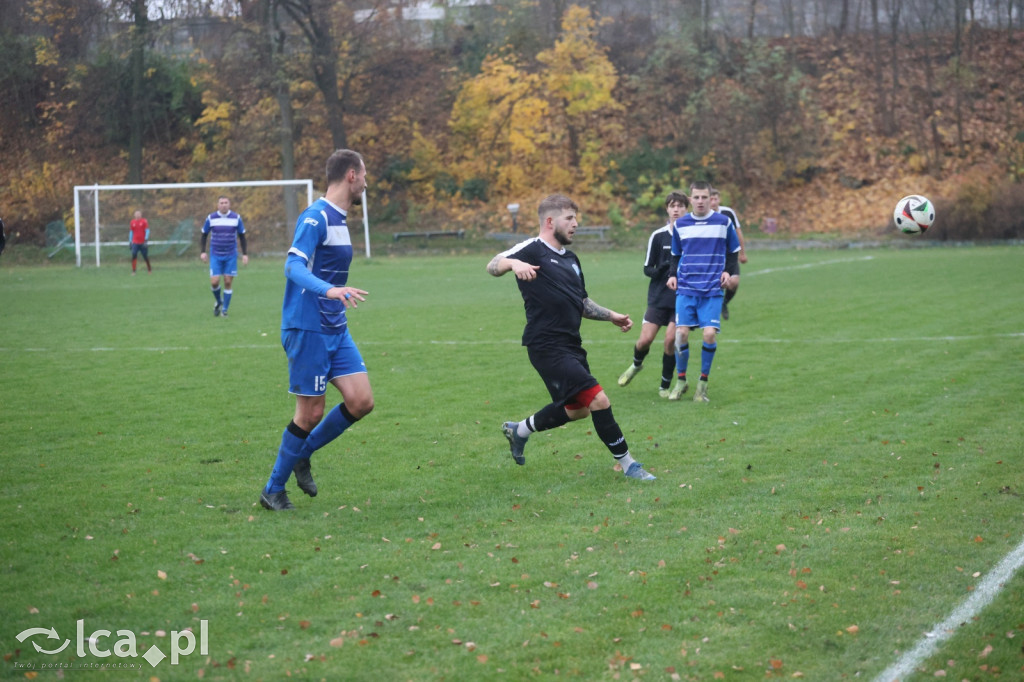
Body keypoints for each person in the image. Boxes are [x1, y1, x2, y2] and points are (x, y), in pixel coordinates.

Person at [487, 194, 656, 481]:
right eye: (569, 218)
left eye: (576, 218)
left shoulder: (572, 260)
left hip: (570, 345)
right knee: (598, 399)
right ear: (550, 221)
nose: (575, 224)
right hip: (545, 344)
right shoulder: (532, 248)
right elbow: (492, 265)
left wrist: (610, 315)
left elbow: (581, 302)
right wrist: (514, 264)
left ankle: (520, 430)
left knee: (577, 410)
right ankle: (629, 465)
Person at [260, 149, 374, 511]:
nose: (367, 181)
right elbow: (292, 266)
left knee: (360, 401)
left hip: (334, 326)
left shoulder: (339, 219)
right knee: (309, 414)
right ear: (351, 175)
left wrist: (334, 293)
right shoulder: (315, 217)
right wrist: (330, 290)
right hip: (308, 326)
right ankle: (273, 489)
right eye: (365, 174)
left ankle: (302, 454)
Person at [666, 181, 741, 403]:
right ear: (690, 199)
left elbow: (733, 251)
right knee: (680, 334)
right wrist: (672, 274)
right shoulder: (681, 224)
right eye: (696, 197)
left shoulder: (723, 222)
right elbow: (675, 254)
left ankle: (703, 384)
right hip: (687, 287)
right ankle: (681, 381)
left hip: (712, 288)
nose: (700, 201)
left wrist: (728, 271)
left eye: (704, 197)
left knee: (709, 334)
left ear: (711, 199)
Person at [617, 191, 690, 397]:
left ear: (687, 209)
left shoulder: (692, 237)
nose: (676, 209)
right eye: (672, 205)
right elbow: (647, 269)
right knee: (644, 341)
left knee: (670, 341)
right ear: (667, 209)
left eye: (680, 206)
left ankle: (664, 386)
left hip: (682, 299)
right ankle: (636, 365)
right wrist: (661, 270)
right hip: (658, 298)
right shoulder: (658, 236)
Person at [200, 196, 248, 317]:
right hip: (216, 254)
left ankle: (224, 310)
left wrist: (245, 254)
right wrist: (203, 252)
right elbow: (204, 234)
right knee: (215, 282)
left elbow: (242, 236)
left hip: (231, 255)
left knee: (227, 281)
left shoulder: (236, 218)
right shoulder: (211, 218)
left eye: (226, 203)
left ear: (229, 204)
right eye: (221, 203)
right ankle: (219, 301)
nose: (224, 205)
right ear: (218, 205)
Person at [709, 188, 746, 320]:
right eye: (711, 199)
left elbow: (738, 232)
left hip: (729, 255)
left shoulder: (727, 213)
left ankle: (724, 303)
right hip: (711, 258)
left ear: (719, 199)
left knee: (734, 283)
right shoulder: (702, 215)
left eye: (715, 199)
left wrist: (742, 252)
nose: (713, 202)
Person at [129, 210, 152, 274]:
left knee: (145, 256)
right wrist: (130, 241)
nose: (137, 215)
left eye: (139, 214)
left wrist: (146, 239)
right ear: (134, 215)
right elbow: (131, 232)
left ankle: (149, 269)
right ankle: (133, 271)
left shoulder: (144, 221)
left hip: (142, 243)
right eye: (136, 214)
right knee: (134, 255)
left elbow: (147, 230)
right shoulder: (132, 222)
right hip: (135, 242)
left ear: (141, 215)